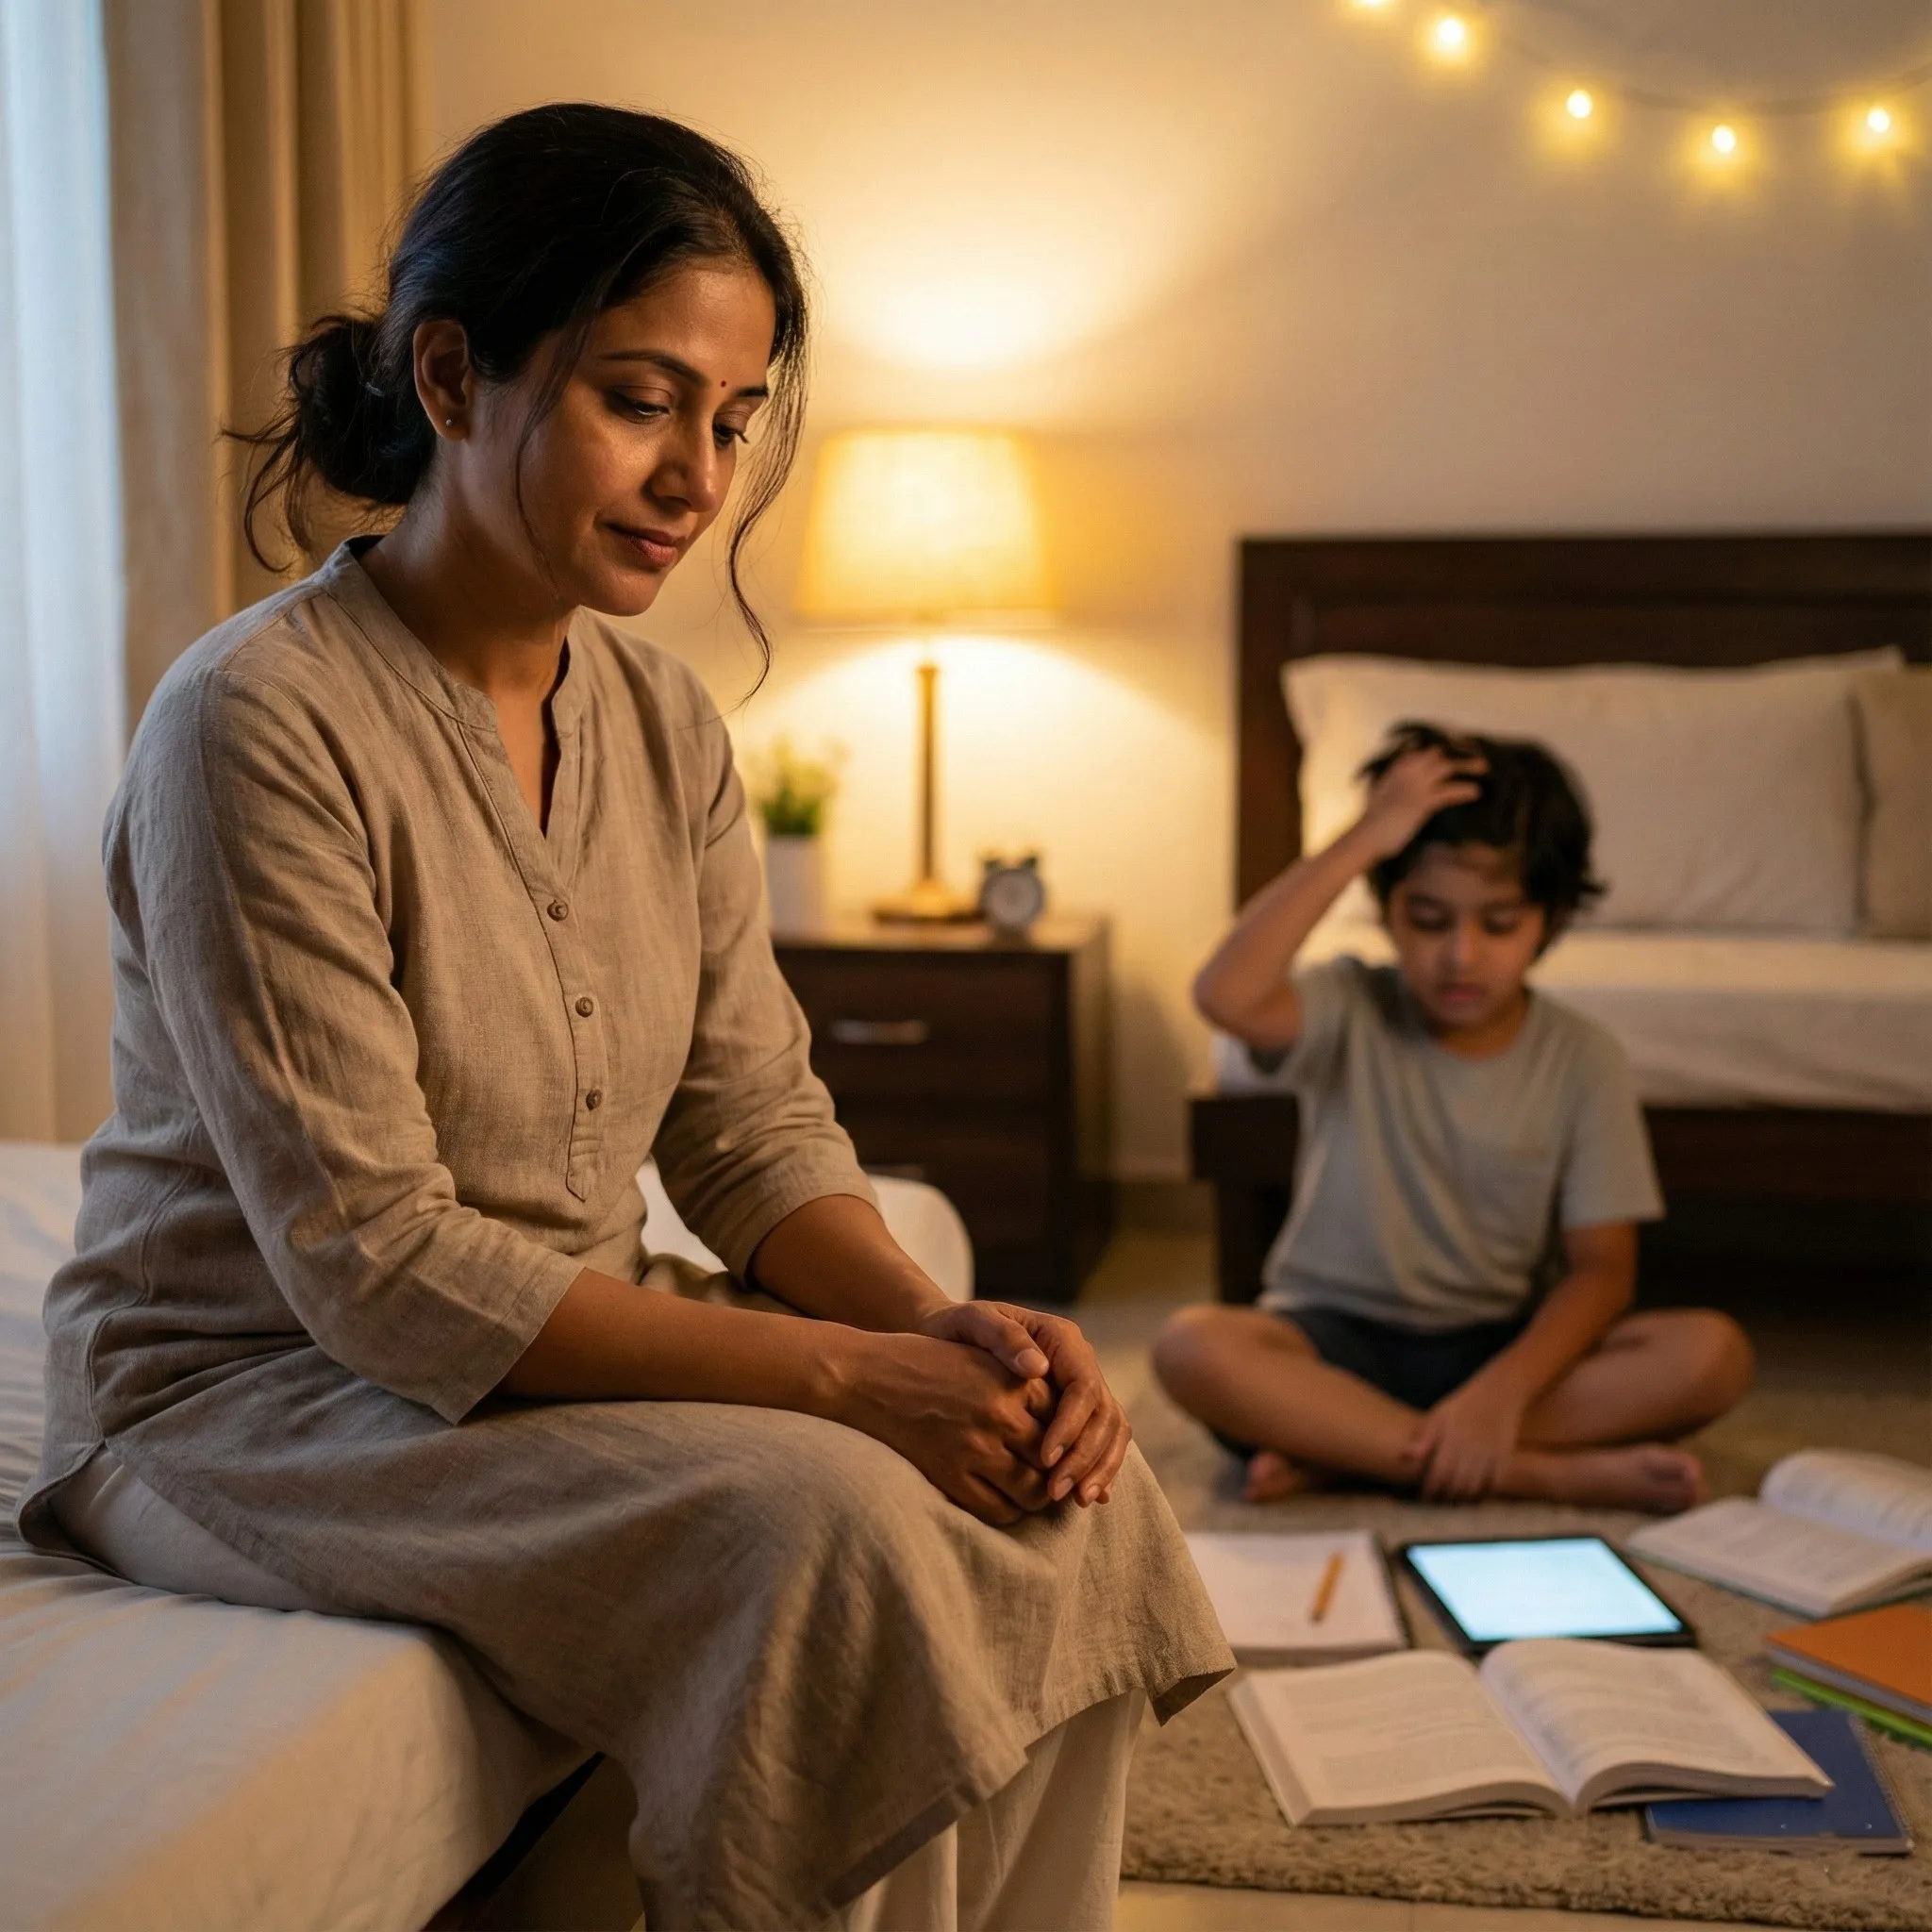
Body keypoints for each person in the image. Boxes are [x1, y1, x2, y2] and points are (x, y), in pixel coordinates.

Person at [19, 104, 1229, 1930]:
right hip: (250, 1395)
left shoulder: (663, 726)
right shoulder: (254, 725)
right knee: (828, 1531)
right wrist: (848, 1379)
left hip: (530, 1361)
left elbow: (748, 1127)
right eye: (643, 399)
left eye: (732, 420)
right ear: (451, 372)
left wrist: (944, 1329)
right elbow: (377, 1266)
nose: (698, 474)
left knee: (1065, 1477)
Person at [1154, 723, 1753, 1511]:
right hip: (1329, 1338)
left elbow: (1603, 1272)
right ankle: (1522, 1471)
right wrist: (1367, 835)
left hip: (1501, 1347)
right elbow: (1223, 996)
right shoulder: (1351, 1003)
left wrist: (1500, 1395)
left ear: (1551, 918)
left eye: (1498, 924)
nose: (1460, 955)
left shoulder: (1583, 1057)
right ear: (1388, 908)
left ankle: (1346, 1448)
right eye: (1429, 920)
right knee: (1193, 1345)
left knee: (1712, 1355)